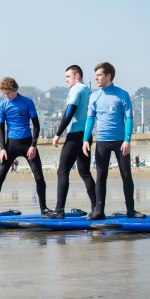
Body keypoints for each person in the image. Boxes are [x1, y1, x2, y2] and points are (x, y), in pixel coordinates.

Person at [82, 62, 146, 220]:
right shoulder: (94, 96)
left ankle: (130, 210)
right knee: (101, 176)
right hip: (102, 142)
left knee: (126, 175)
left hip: (120, 142)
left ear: (108, 76)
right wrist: (85, 140)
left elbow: (129, 118)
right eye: (96, 75)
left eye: (99, 75)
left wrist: (127, 139)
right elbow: (90, 120)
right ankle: (99, 211)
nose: (96, 78)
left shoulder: (122, 94)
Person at [0, 77, 49, 216]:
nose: (7, 96)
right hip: (11, 145)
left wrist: (33, 145)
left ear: (15, 90)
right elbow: (1, 129)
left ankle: (43, 208)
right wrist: (2, 149)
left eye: (8, 93)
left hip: (27, 144)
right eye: (4, 93)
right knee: (0, 177)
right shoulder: (2, 106)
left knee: (39, 176)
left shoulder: (27, 102)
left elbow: (36, 126)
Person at [45, 65, 96, 219]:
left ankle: (59, 210)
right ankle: (97, 208)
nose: (66, 80)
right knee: (85, 172)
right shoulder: (88, 90)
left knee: (62, 170)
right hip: (87, 135)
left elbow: (69, 112)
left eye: (68, 76)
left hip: (75, 135)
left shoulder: (76, 90)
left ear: (77, 75)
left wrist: (58, 133)